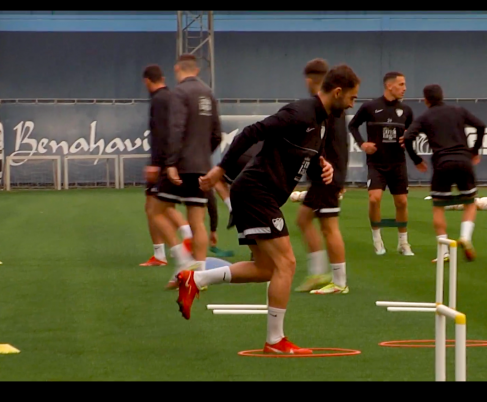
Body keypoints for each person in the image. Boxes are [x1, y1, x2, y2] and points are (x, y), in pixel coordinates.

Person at [177, 64, 361, 354]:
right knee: (286, 264)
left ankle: (196, 279)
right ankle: (275, 341)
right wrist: (221, 168)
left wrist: (322, 165)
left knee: (266, 268)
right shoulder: (300, 112)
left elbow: (307, 152)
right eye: (352, 97)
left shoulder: (322, 121)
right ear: (338, 92)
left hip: (261, 195)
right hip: (255, 191)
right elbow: (251, 132)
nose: (353, 103)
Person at [150, 54, 222, 288]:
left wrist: (171, 163)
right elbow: (217, 134)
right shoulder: (209, 93)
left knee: (156, 210)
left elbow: (176, 129)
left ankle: (182, 262)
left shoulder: (179, 93)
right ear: (198, 70)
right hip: (201, 165)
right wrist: (203, 156)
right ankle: (198, 277)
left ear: (177, 68)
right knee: (197, 221)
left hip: (181, 165)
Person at [402, 84, 486, 261]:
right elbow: (481, 125)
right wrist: (475, 150)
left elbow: (408, 137)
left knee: (438, 207)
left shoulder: (425, 117)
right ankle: (465, 237)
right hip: (464, 160)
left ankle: (444, 251)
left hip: (442, 163)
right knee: (470, 203)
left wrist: (416, 160)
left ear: (426, 100)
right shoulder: (458, 110)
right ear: (443, 95)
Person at [294, 58, 349, 295]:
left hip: (327, 175)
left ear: (310, 80)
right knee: (303, 219)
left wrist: (336, 177)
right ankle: (318, 273)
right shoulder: (326, 105)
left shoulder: (327, 107)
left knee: (329, 228)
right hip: (324, 175)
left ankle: (339, 282)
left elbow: (330, 144)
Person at [348, 71, 415, 256]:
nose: (404, 88)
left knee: (401, 202)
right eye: (401, 84)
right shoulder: (370, 107)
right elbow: (352, 125)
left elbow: (412, 130)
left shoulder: (406, 110)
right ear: (389, 86)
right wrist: (362, 144)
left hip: (398, 163)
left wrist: (408, 137)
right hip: (376, 163)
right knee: (374, 198)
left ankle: (403, 243)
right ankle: (377, 240)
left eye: (404, 84)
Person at [140, 64, 193, 267]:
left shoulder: (159, 100)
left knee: (153, 208)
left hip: (162, 162)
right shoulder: (172, 96)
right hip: (173, 160)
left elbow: (161, 133)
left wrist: (156, 164)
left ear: (147, 81)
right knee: (165, 206)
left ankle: (164, 254)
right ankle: (186, 236)